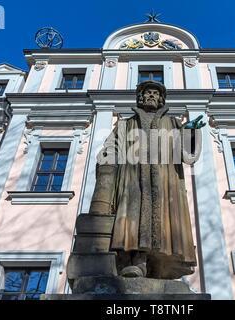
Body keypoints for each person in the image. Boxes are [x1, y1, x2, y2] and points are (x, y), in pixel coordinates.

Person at [88, 80, 206, 279]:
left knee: (163, 223)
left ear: (161, 99)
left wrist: (190, 132)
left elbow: (187, 155)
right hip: (132, 178)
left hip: (165, 181)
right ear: (140, 97)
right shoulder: (126, 123)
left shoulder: (174, 122)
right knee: (131, 220)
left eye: (155, 93)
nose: (151, 96)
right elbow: (111, 147)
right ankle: (133, 261)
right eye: (147, 93)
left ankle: (157, 265)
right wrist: (108, 157)